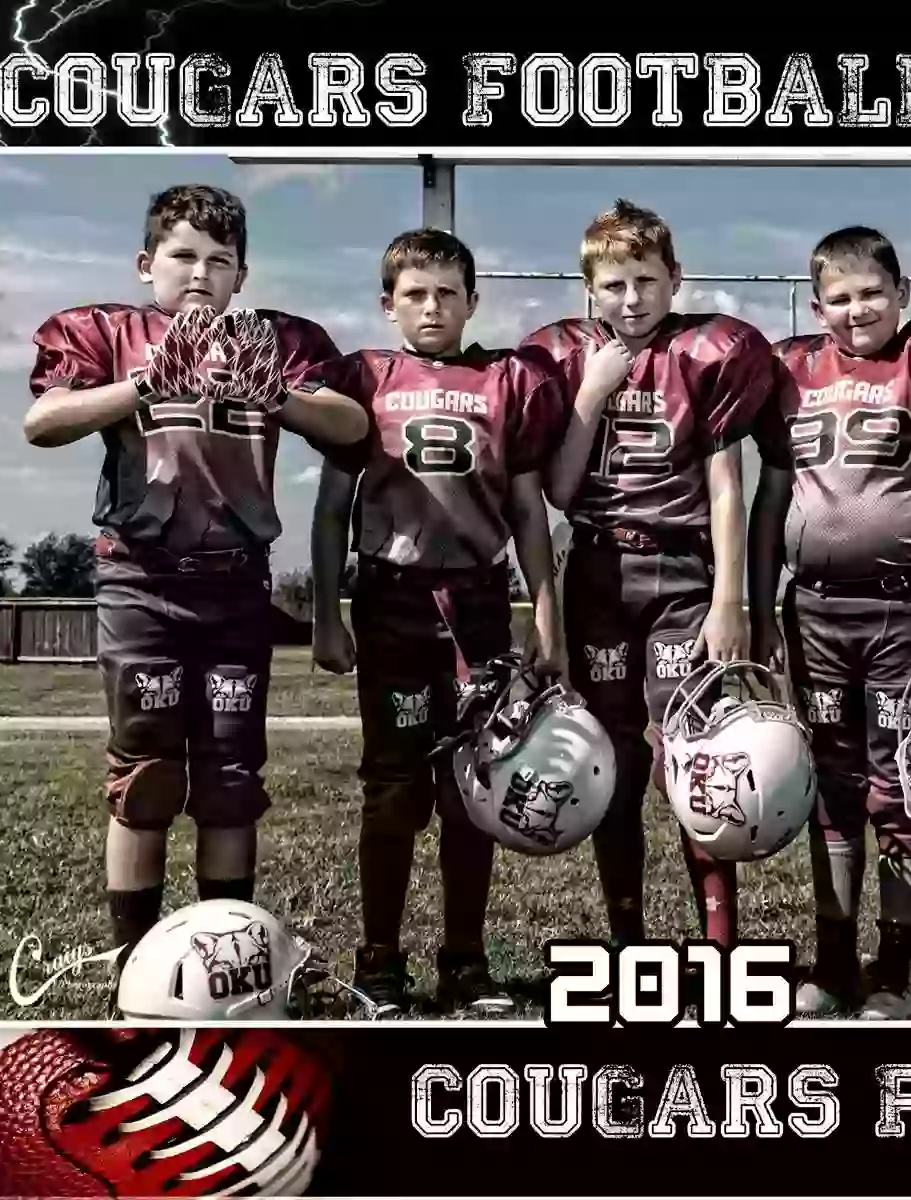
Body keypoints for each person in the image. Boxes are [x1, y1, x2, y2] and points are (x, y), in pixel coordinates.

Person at [22, 183, 369, 1007]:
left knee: (230, 778)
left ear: (243, 274)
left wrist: (274, 393)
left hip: (234, 584)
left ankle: (222, 970)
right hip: (141, 577)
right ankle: (131, 968)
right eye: (183, 256)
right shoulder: (108, 331)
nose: (201, 274)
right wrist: (146, 386)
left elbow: (352, 427)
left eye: (220, 261)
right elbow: (43, 421)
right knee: (145, 777)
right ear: (147, 265)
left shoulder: (279, 340)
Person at [309, 228, 568, 1015]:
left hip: (481, 604)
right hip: (392, 599)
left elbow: (528, 512)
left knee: (472, 788)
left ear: (472, 302)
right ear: (388, 305)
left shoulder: (507, 381)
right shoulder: (364, 379)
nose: (432, 307)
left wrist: (546, 614)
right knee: (392, 789)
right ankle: (380, 961)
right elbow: (329, 512)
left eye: (447, 293)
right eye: (415, 294)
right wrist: (326, 612)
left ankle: (465, 960)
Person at [747, 226, 911, 1019]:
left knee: (900, 784)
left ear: (904, 295)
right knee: (832, 783)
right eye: (841, 298)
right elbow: (772, 499)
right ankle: (831, 955)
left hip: (907, 602)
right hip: (815, 605)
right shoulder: (793, 371)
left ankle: (898, 959)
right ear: (818, 306)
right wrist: (758, 606)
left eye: (872, 294)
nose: (858, 311)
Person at [517, 199, 774, 952]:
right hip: (599, 567)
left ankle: (720, 944)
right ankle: (628, 943)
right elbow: (559, 493)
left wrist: (729, 600)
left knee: (696, 761)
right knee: (617, 766)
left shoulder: (704, 354)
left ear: (675, 280)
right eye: (615, 285)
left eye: (646, 282)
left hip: (679, 572)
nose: (632, 300)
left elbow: (727, 487)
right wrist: (593, 393)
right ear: (589, 289)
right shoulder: (568, 356)